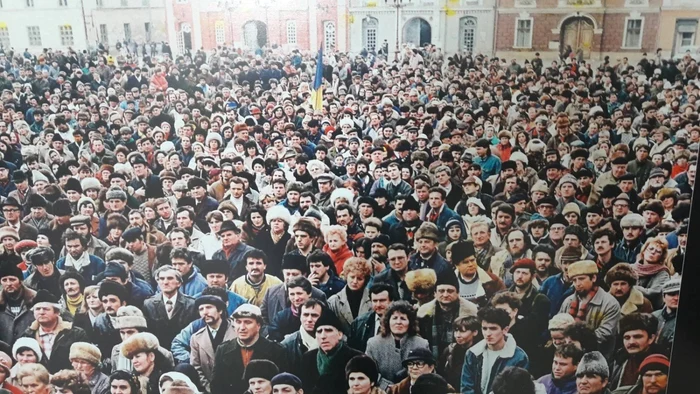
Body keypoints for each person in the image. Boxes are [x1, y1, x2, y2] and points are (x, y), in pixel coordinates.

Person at [210, 304, 287, 394]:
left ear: (258, 326)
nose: (242, 327)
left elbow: (282, 385)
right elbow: (216, 386)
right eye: (238, 322)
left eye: (247, 322)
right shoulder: (223, 350)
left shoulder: (276, 350)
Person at [558, 260, 621, 358]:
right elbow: (559, 326)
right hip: (568, 357)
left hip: (599, 356)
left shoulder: (610, 303)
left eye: (581, 279)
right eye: (574, 280)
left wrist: (576, 342)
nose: (577, 284)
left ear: (594, 278)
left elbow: (604, 334)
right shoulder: (568, 301)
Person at [460, 307, 529, 394]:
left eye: (493, 328)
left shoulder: (519, 357)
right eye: (484, 328)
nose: (488, 333)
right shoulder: (473, 353)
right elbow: (466, 387)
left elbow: (517, 390)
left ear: (505, 330)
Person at [300, 309, 363, 394]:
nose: (323, 336)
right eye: (319, 331)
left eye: (328, 330)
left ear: (340, 335)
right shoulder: (308, 358)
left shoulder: (356, 358)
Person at [418, 269, 477, 358]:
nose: (445, 295)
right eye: (441, 291)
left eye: (450, 291)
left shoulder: (471, 311)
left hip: (462, 359)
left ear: (458, 293)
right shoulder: (423, 313)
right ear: (435, 293)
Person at [365, 300, 429, 383]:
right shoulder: (373, 344)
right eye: (394, 318)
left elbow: (427, 373)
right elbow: (368, 371)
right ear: (388, 321)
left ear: (410, 322)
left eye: (403, 318)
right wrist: (387, 387)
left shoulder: (422, 344)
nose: (398, 322)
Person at [143, 265, 198, 351]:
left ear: (179, 283)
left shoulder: (191, 304)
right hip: (158, 352)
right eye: (161, 279)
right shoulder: (149, 304)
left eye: (170, 278)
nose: (165, 282)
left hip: (184, 351)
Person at [190, 292, 235, 392]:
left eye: (209, 307)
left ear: (220, 311)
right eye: (201, 309)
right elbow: (196, 367)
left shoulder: (237, 331)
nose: (205, 312)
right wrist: (210, 388)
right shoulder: (196, 338)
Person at [451, 240, 504, 307]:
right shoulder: (450, 282)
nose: (470, 264)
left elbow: (503, 301)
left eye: (472, 260)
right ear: (457, 265)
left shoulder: (492, 280)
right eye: (465, 262)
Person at [279, 299, 324, 376]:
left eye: (314, 315)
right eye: (305, 315)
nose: (309, 320)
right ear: (300, 317)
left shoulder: (331, 342)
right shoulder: (286, 345)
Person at [327, 257, 373, 332]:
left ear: (365, 280)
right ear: (346, 276)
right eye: (352, 277)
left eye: (359, 279)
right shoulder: (334, 301)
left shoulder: (372, 300)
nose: (355, 281)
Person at [651, 278, 679, 354]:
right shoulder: (653, 316)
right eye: (672, 294)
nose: (676, 298)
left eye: (680, 294)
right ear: (663, 297)